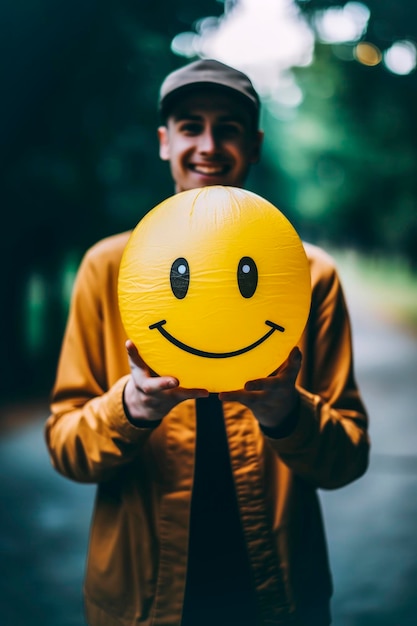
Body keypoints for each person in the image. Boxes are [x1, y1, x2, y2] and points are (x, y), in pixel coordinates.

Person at [45, 59, 370, 626]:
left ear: (256, 145)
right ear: (165, 141)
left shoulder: (308, 276)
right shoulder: (109, 269)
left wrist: (287, 412)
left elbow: (347, 458)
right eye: (191, 125)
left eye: (230, 128)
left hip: (279, 598)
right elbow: (68, 449)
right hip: (143, 603)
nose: (209, 145)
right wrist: (132, 406)